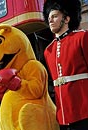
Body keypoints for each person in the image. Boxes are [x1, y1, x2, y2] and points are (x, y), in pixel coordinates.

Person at [43, 0, 88, 130]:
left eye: (55, 16)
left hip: (84, 110)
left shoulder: (82, 37)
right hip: (63, 115)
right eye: (49, 17)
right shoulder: (48, 51)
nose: (50, 20)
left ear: (66, 19)